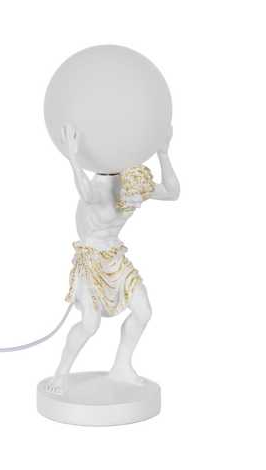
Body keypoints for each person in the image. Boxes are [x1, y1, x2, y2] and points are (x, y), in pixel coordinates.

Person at [46, 124, 180, 394]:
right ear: (121, 191)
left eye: (138, 201)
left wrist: (164, 154)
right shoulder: (100, 189)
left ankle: (122, 366)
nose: (135, 205)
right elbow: (85, 192)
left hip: (115, 257)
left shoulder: (134, 184)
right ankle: (61, 373)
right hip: (91, 260)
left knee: (144, 311)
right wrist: (73, 157)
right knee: (89, 324)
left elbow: (172, 192)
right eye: (130, 200)